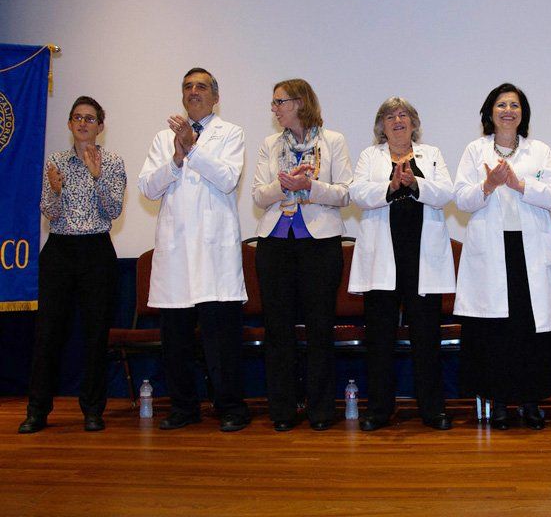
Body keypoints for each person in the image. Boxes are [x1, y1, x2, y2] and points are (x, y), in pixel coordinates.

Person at [138, 67, 251, 432]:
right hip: (176, 253)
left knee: (222, 341)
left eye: (201, 86)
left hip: (215, 253)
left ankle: (230, 407)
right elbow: (148, 189)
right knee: (176, 341)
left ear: (215, 97)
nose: (193, 92)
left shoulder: (231, 133)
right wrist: (175, 157)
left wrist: (194, 147)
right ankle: (184, 407)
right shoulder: (162, 138)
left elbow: (228, 178)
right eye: (187, 87)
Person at [454, 83, 551, 431]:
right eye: (501, 105)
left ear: (523, 113)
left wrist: (520, 185)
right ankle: (500, 403)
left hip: (528, 252)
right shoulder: (475, 151)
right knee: (497, 333)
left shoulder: (540, 151)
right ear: (490, 113)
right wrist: (488, 186)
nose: (508, 110)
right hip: (492, 252)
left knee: (530, 332)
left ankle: (531, 402)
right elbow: (461, 199)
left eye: (515, 105)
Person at [18, 96, 126, 434]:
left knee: (95, 334)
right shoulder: (56, 160)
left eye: (90, 119)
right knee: (48, 333)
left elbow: (113, 211)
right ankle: (38, 410)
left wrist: (96, 177)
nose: (83, 123)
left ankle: (92, 410)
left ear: (100, 127)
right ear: (69, 124)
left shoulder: (112, 161)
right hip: (60, 251)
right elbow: (49, 212)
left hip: (96, 252)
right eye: (77, 118)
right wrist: (54, 190)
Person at [349, 97, 456, 432]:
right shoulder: (370, 156)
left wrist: (415, 183)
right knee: (379, 339)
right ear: (381, 126)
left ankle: (432, 410)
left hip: (421, 258)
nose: (397, 120)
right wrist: (391, 185)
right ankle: (379, 410)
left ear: (414, 123)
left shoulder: (432, 154)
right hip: (383, 256)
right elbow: (358, 194)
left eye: (404, 115)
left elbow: (445, 193)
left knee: (427, 339)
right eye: (390, 116)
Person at [252, 78, 352, 431]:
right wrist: (283, 184)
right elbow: (257, 196)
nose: (274, 109)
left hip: (319, 243)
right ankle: (282, 410)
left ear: (300, 102)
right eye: (274, 103)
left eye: (280, 102)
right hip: (275, 244)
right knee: (278, 330)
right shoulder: (269, 145)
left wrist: (310, 185)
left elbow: (344, 194)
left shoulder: (333, 141)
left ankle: (321, 410)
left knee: (319, 328)